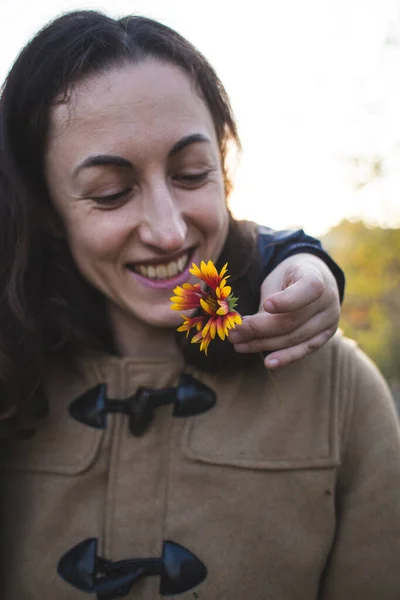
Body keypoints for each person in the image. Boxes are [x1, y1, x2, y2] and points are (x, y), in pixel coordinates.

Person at [0, 10, 398, 600]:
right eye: (112, 193)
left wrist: (300, 256)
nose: (167, 230)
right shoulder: (13, 372)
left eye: (191, 174)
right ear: (46, 207)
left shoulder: (339, 389)